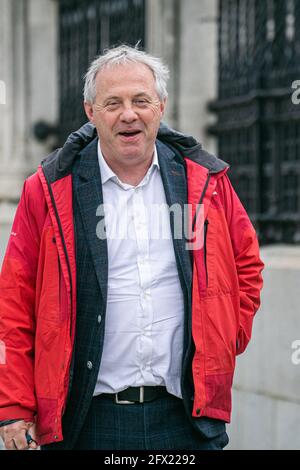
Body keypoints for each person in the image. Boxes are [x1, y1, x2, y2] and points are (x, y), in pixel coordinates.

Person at [0, 45, 264, 450]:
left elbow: (247, 264)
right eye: (113, 103)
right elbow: (14, 302)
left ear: (161, 106)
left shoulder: (205, 181)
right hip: (85, 423)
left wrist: (224, 338)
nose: (129, 114)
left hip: (186, 420)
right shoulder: (49, 190)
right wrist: (15, 406)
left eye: (141, 100)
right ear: (90, 111)